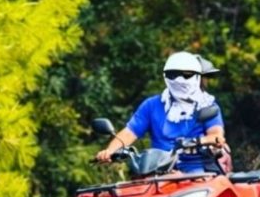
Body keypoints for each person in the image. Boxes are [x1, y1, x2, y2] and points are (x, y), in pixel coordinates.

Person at [95, 51, 229, 172]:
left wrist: (198, 141)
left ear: (197, 77)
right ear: (165, 76)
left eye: (186, 75)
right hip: (158, 170)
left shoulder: (206, 104)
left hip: (195, 170)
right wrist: (110, 151)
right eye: (173, 75)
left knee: (204, 191)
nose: (179, 80)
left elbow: (217, 136)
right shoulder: (151, 105)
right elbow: (130, 132)